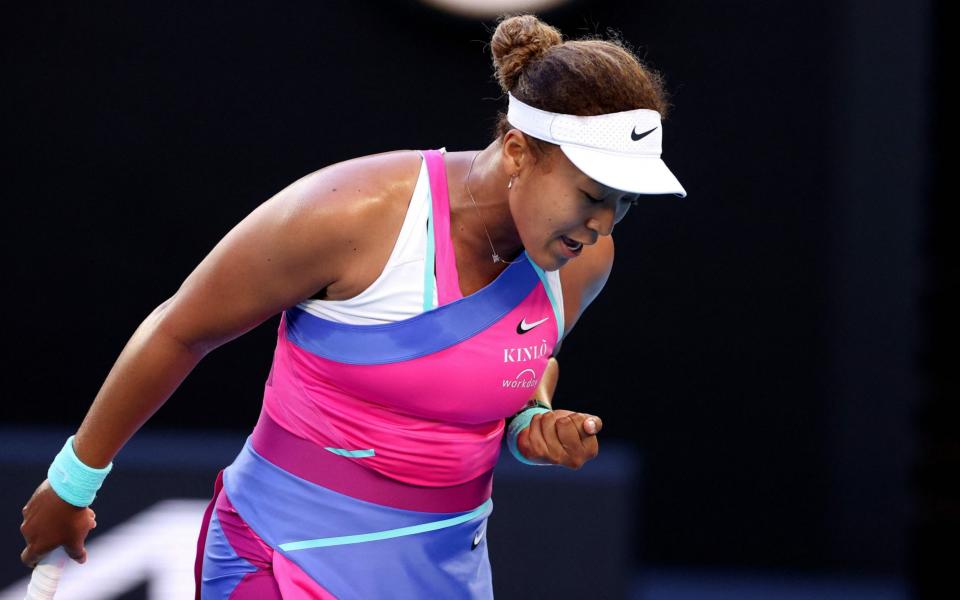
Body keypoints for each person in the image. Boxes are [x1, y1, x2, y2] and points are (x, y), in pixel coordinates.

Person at [19, 13, 685, 598]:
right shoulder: (352, 214)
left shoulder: (582, 259)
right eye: (595, 193)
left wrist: (531, 421)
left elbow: (512, 358)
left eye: (626, 204)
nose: (606, 223)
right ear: (517, 151)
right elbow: (180, 329)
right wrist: (73, 483)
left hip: (448, 573)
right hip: (284, 557)